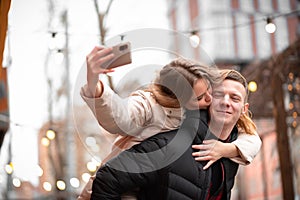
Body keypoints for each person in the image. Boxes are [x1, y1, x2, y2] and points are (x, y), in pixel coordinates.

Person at [78, 46, 261, 199]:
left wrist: (227, 149)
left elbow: (252, 139)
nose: (211, 99)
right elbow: (119, 117)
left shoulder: (228, 141)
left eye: (210, 91)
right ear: (181, 101)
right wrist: (95, 85)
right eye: (202, 97)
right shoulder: (152, 108)